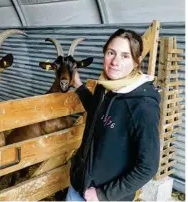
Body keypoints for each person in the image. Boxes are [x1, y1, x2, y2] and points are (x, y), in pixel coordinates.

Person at [66, 29, 161, 201]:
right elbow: (98, 111)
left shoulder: (143, 106)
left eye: (125, 56)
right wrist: (79, 86)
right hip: (79, 184)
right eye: (111, 53)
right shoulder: (106, 86)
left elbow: (148, 166)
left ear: (137, 61)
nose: (115, 62)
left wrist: (103, 195)